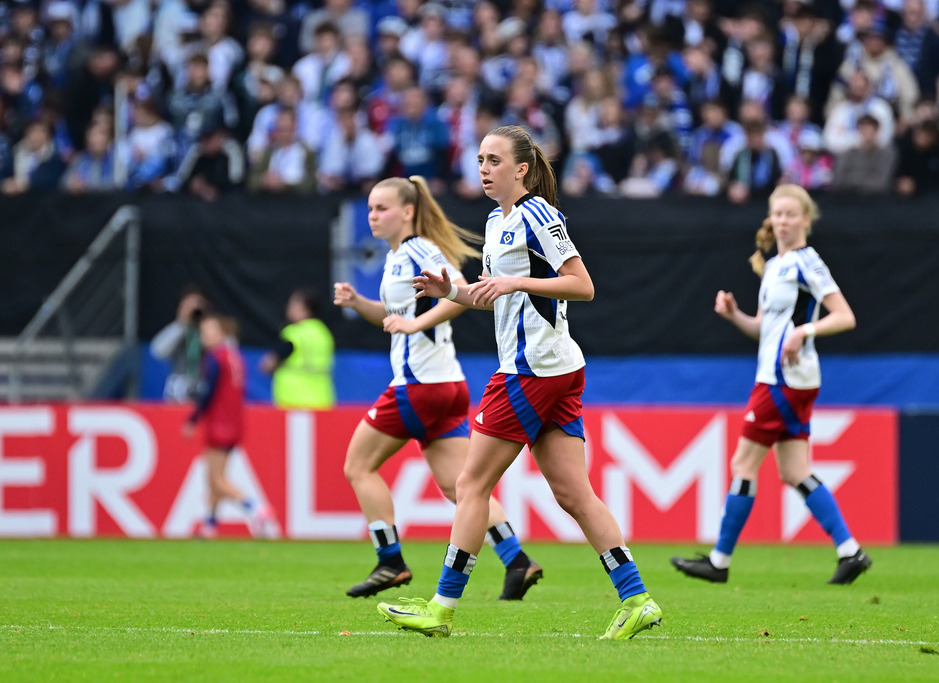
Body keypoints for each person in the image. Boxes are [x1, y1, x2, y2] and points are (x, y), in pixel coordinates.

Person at [377, 125, 662, 640]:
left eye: (493, 160)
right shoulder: (495, 220)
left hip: (532, 372)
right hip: (552, 369)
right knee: (575, 494)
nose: (483, 169)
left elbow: (583, 286)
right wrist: (453, 291)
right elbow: (492, 295)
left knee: (470, 485)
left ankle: (441, 608)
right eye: (480, 159)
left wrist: (516, 280)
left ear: (522, 169)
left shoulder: (538, 214)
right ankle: (637, 598)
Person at [332, 175, 542, 601]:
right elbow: (394, 318)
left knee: (358, 466)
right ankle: (516, 560)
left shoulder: (418, 251)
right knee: (461, 487)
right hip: (444, 386)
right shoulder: (399, 257)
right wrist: (360, 303)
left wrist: (415, 322)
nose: (373, 216)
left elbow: (456, 296)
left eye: (382, 208)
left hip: (419, 386)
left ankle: (390, 561)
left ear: (408, 211)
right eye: (370, 208)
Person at [671, 184, 872, 586]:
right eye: (777, 214)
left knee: (742, 464)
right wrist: (735, 315)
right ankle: (850, 551)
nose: (782, 221)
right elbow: (764, 328)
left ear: (805, 219)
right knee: (795, 470)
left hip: (783, 379)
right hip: (786, 376)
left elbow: (844, 316)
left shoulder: (806, 262)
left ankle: (720, 560)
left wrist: (804, 332)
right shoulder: (776, 264)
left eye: (790, 214)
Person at [183, 314, 273, 539]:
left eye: (210, 331)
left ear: (221, 333)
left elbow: (208, 392)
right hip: (234, 423)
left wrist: (193, 419)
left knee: (216, 479)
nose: (205, 336)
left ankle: (256, 509)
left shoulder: (215, 358)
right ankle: (210, 525)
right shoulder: (235, 357)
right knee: (213, 477)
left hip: (218, 424)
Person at [259, 288, 336, 409]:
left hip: (293, 402)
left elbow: (267, 365)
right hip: (322, 401)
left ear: (305, 309)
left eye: (293, 304)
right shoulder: (324, 333)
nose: (288, 308)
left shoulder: (293, 334)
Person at [151, 284, 209, 404]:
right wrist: (181, 323)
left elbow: (226, 349)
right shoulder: (178, 329)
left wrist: (204, 326)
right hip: (179, 392)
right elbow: (158, 352)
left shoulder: (211, 331)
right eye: (189, 305)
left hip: (204, 389)